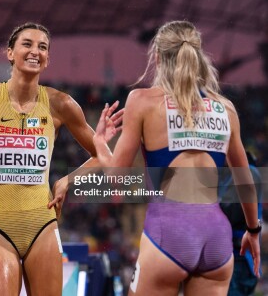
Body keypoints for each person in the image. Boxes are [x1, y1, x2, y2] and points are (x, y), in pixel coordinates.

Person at [0, 22, 122, 295]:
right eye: (27, 44)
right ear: (9, 53)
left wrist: (68, 181)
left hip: (43, 224)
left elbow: (104, 155)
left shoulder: (61, 104)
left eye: (42, 47)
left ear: (48, 59)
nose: (35, 51)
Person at [87, 20, 260, 295]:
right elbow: (246, 181)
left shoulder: (143, 100)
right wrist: (253, 231)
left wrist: (99, 144)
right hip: (216, 237)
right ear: (198, 55)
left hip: (169, 229)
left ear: (157, 57)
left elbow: (115, 180)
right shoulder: (225, 108)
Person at [219, 151, 263, 296]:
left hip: (239, 258)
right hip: (239, 258)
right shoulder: (234, 174)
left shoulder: (246, 173)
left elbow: (231, 212)